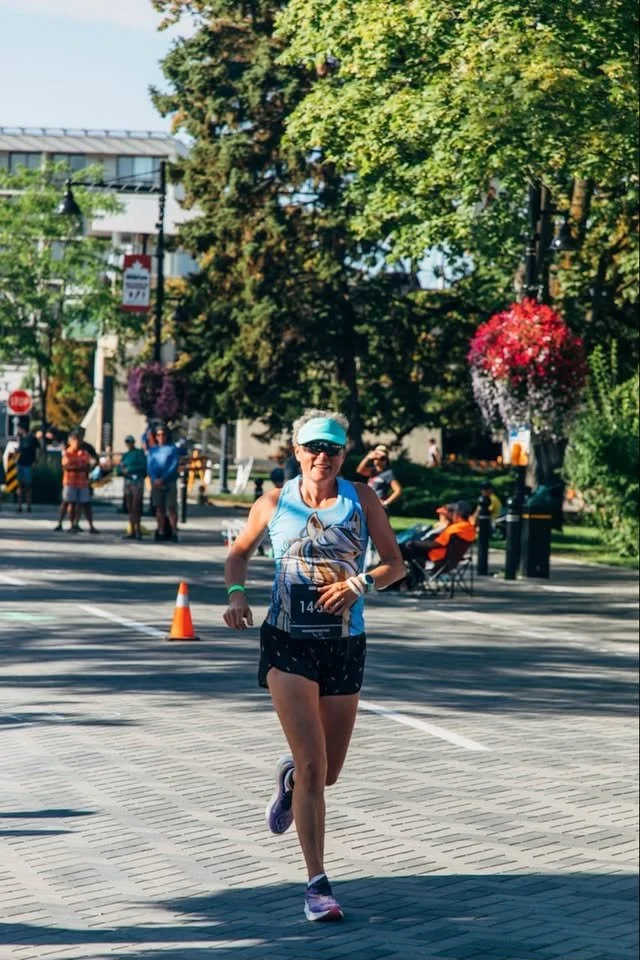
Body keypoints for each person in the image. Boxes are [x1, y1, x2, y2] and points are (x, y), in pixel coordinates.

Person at [223, 409, 405, 922]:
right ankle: (316, 884)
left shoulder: (361, 498)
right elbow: (238, 554)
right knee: (312, 765)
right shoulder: (274, 502)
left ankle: (289, 784)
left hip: (344, 644)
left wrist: (360, 583)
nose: (323, 456)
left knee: (328, 773)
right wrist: (237, 595)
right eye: (313, 448)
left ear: (344, 455)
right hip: (286, 643)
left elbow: (395, 564)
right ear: (296, 452)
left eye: (333, 449)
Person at [55, 431, 99, 533]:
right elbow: (67, 466)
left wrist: (84, 468)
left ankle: (85, 525)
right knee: (69, 503)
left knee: (85, 504)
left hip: (82, 482)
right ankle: (63, 523)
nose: (78, 442)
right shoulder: (68, 453)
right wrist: (80, 467)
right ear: (71, 441)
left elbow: (88, 465)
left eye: (79, 440)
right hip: (70, 481)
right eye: (75, 440)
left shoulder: (84, 452)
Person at [147, 425, 180, 541]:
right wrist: (155, 479)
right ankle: (160, 530)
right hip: (156, 482)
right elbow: (150, 465)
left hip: (169, 481)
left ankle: (174, 531)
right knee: (159, 508)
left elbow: (174, 465)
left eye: (163, 434)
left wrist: (164, 478)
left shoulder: (172, 449)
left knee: (171, 507)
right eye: (159, 435)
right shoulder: (153, 450)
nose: (161, 437)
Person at [117, 435, 147, 540]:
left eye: (130, 441)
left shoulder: (139, 453)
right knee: (129, 507)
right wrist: (122, 471)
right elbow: (118, 469)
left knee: (136, 506)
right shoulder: (125, 455)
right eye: (127, 442)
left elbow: (143, 467)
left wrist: (130, 469)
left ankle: (138, 529)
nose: (129, 444)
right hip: (127, 482)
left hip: (137, 482)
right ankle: (132, 530)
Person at [355, 444, 403, 510]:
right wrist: (368, 457)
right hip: (369, 505)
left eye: (380, 458)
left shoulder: (388, 473)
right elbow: (359, 470)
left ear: (385, 460)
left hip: (379, 508)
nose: (376, 460)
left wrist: (386, 503)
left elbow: (398, 490)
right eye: (375, 458)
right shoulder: (373, 471)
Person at [16, 424, 39, 513]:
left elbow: (37, 450)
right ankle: (19, 506)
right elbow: (19, 450)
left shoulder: (32, 439)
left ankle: (28, 505)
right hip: (20, 463)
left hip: (28, 464)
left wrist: (35, 461)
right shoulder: (20, 439)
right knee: (20, 485)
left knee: (28, 486)